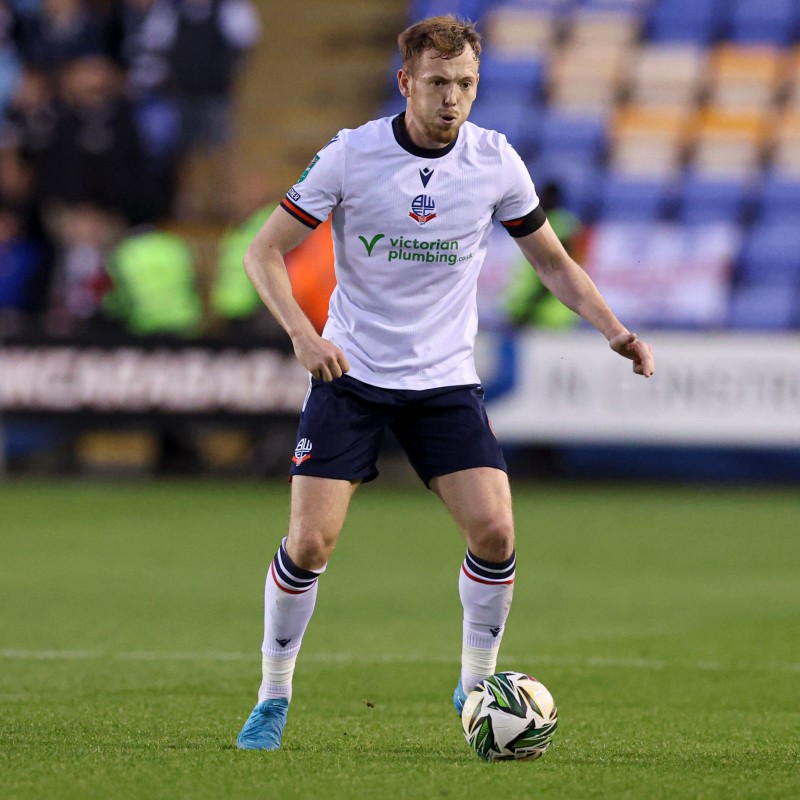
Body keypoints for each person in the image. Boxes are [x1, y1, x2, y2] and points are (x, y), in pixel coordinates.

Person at [235, 15, 654, 751]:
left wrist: (612, 327)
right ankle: (273, 696)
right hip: (352, 373)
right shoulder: (349, 156)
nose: (452, 98)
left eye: (465, 84)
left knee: (495, 531)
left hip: (443, 381)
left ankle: (475, 680)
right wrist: (305, 334)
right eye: (437, 83)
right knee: (309, 544)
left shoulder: (495, 162)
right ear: (405, 83)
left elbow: (551, 261)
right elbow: (264, 253)